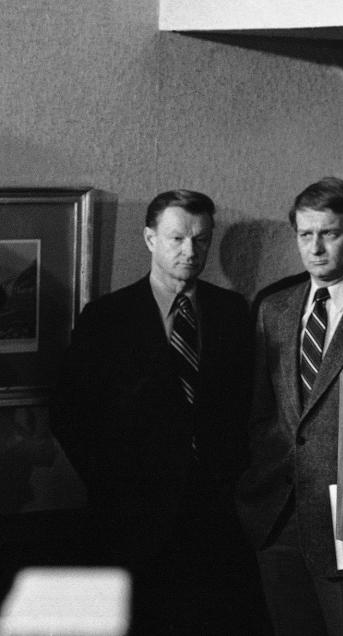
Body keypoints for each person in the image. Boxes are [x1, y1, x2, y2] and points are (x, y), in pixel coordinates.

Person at [51, 190, 260, 633]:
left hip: (216, 518)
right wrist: (113, 485)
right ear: (150, 239)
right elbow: (69, 414)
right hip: (131, 519)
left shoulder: (232, 313)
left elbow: (249, 406)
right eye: (177, 238)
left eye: (201, 240)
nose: (190, 251)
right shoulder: (107, 317)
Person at [237, 177, 343, 635]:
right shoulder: (275, 307)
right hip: (275, 517)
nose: (315, 248)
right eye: (305, 235)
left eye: (329, 233)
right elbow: (260, 413)